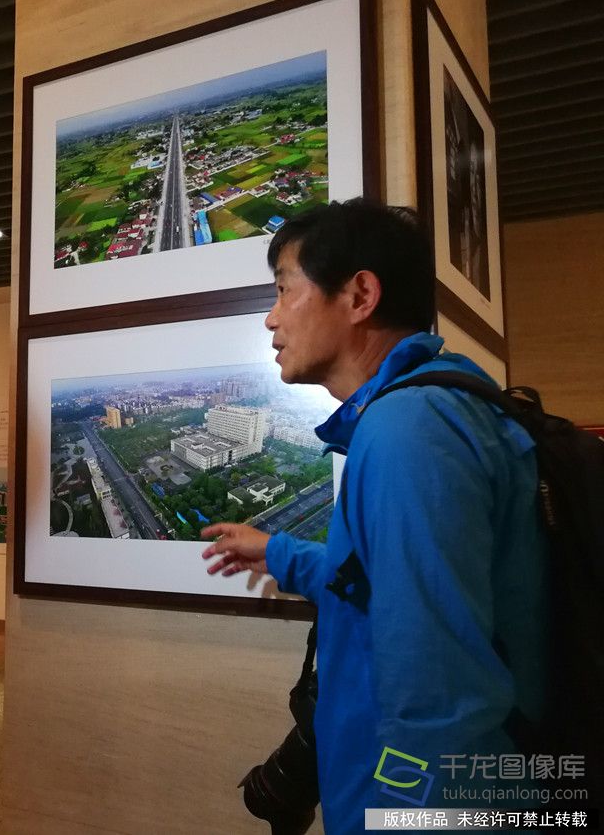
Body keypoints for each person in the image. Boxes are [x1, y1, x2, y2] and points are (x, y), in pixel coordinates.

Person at [201, 199, 545, 834]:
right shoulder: (424, 412)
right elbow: (380, 582)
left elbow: (440, 693)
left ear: (359, 294)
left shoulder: (409, 429)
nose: (271, 318)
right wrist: (278, 553)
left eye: (284, 290)